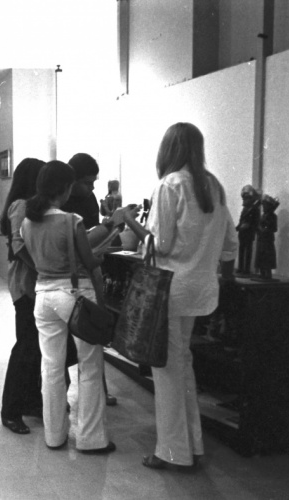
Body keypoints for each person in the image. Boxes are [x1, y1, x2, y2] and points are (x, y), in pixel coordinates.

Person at [123, 122, 237, 469]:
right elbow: (231, 244)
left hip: (171, 290)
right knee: (182, 366)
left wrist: (131, 221)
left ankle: (172, 452)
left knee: (168, 370)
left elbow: (161, 244)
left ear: (168, 149)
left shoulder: (170, 185)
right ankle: (193, 445)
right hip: (201, 290)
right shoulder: (213, 186)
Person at [21, 161, 114, 454]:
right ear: (65, 188)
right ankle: (90, 438)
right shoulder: (70, 220)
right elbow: (89, 261)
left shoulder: (28, 221)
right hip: (74, 295)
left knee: (50, 368)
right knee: (89, 366)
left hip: (43, 297)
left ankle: (54, 436)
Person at [61, 153, 117, 406]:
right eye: (87, 182)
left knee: (93, 335)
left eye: (94, 182)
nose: (92, 187)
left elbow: (92, 235)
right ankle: (62, 395)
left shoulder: (89, 198)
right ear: (72, 180)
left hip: (89, 272)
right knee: (65, 342)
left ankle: (99, 393)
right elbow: (76, 242)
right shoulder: (61, 199)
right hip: (68, 278)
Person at [0, 158, 46, 434]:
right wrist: (42, 267)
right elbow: (19, 247)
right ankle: (11, 410)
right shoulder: (21, 206)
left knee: (34, 348)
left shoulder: (33, 206)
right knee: (25, 347)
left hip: (34, 284)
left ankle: (30, 401)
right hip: (25, 285)